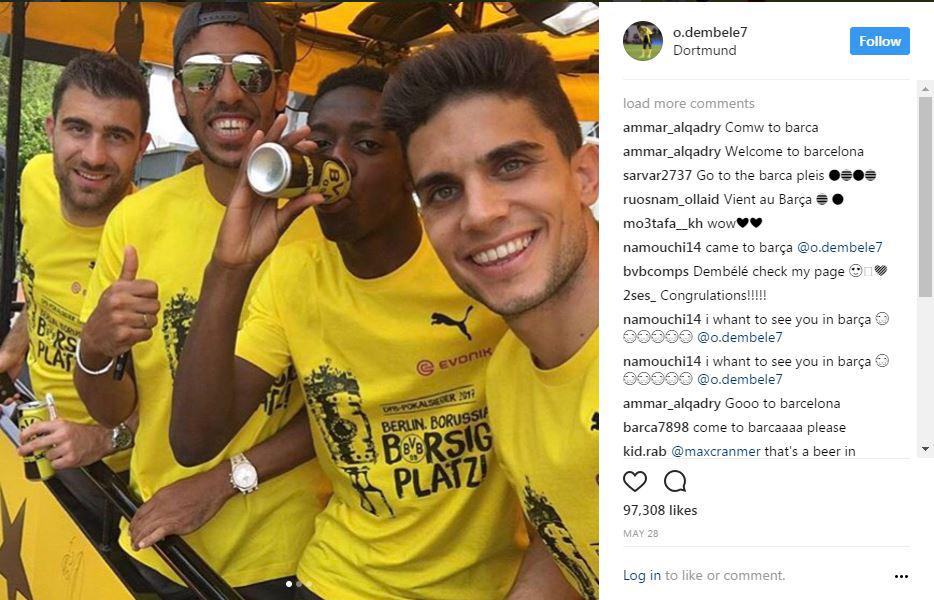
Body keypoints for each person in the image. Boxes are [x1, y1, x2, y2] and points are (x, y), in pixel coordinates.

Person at [168, 64, 526, 600]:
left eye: (366, 144)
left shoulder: (475, 262)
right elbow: (195, 440)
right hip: (339, 579)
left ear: (411, 166)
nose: (337, 163)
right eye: (322, 143)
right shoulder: (295, 277)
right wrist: (230, 268)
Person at [74, 4, 328, 598]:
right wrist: (94, 347)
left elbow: (351, 405)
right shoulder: (136, 219)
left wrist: (222, 481)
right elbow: (115, 409)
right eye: (202, 75)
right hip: (155, 542)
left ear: (282, 92)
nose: (229, 93)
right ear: (181, 99)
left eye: (253, 74)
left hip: (281, 556)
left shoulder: (324, 224)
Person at [383, 32, 600, 599]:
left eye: (510, 165)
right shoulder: (506, 372)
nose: (480, 214)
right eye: (443, 191)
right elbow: (567, 547)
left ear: (584, 175)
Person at [0, 52, 150, 533]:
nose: (93, 156)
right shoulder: (35, 179)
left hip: (113, 480)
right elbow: (39, 278)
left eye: (117, 136)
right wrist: (14, 344)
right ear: (50, 128)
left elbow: (185, 399)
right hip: (32, 423)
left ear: (143, 146)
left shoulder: (155, 238)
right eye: (78, 128)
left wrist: (105, 438)